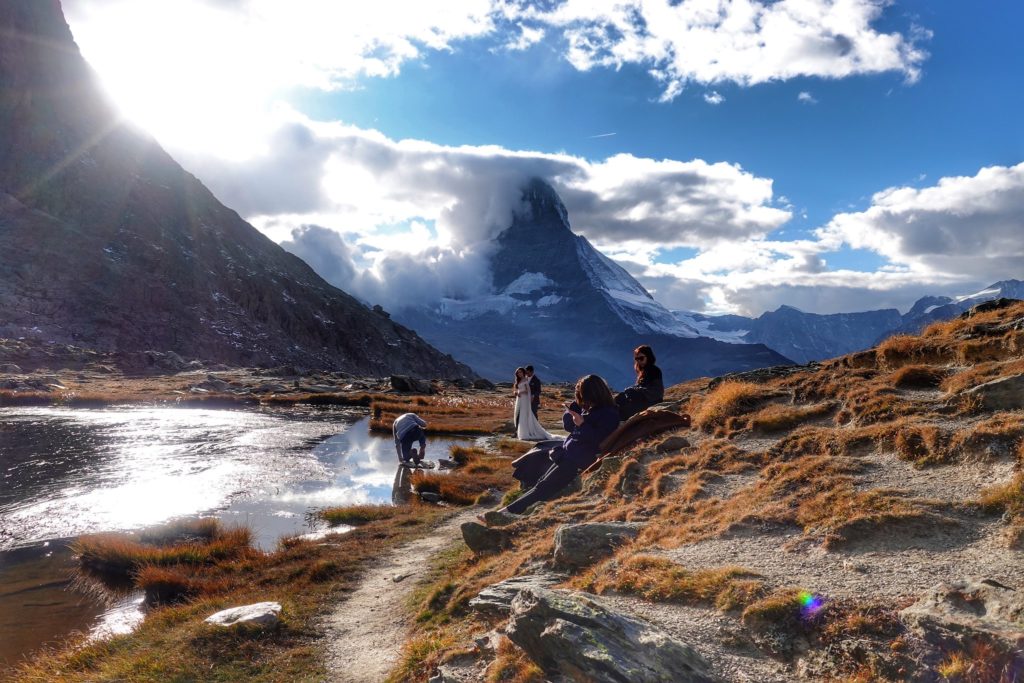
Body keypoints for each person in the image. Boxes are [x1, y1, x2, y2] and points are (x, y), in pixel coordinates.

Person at [500, 374, 620, 515]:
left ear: (592, 393)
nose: (581, 397)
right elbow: (569, 426)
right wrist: (575, 406)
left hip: (579, 460)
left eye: (582, 393)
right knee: (542, 482)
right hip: (569, 454)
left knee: (544, 487)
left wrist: (582, 424)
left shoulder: (609, 414)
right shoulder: (589, 408)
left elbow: (598, 439)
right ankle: (511, 510)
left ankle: (507, 512)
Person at [614, 344, 664, 421]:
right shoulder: (644, 371)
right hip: (643, 400)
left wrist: (636, 391)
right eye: (636, 359)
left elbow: (657, 392)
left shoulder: (655, 371)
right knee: (618, 399)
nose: (639, 361)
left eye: (641, 358)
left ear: (648, 357)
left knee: (623, 410)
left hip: (651, 401)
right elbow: (640, 387)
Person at [514, 367, 552, 441]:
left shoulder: (536, 380)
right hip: (520, 399)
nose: (526, 373)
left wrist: (532, 396)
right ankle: (518, 431)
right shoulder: (521, 379)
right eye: (518, 372)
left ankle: (532, 430)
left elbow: (536, 390)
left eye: (527, 372)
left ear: (531, 371)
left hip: (530, 400)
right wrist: (516, 392)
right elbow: (517, 389)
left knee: (531, 414)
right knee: (519, 414)